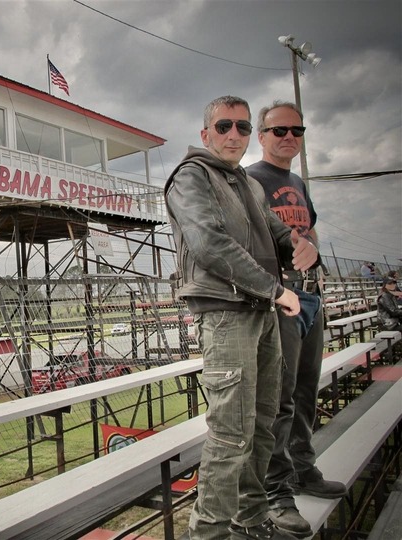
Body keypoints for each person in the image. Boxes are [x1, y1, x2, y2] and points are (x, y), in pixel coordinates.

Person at [165, 95, 318, 540]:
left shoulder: (247, 184)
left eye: (244, 128)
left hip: (262, 311)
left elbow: (276, 234)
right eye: (225, 126)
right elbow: (209, 244)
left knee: (263, 423)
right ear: (206, 133)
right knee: (231, 432)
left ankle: (250, 521)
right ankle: (208, 533)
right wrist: (276, 289)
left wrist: (300, 246)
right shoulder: (192, 176)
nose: (235, 135)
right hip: (227, 312)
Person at [246, 101, 347, 538]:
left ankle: (304, 469)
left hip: (311, 294)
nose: (289, 137)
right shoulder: (251, 179)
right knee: (279, 397)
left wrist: (318, 259)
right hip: (280, 296)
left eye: (297, 130)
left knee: (307, 389)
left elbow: (311, 230)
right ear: (262, 135)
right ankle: (276, 493)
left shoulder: (297, 180)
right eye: (279, 130)